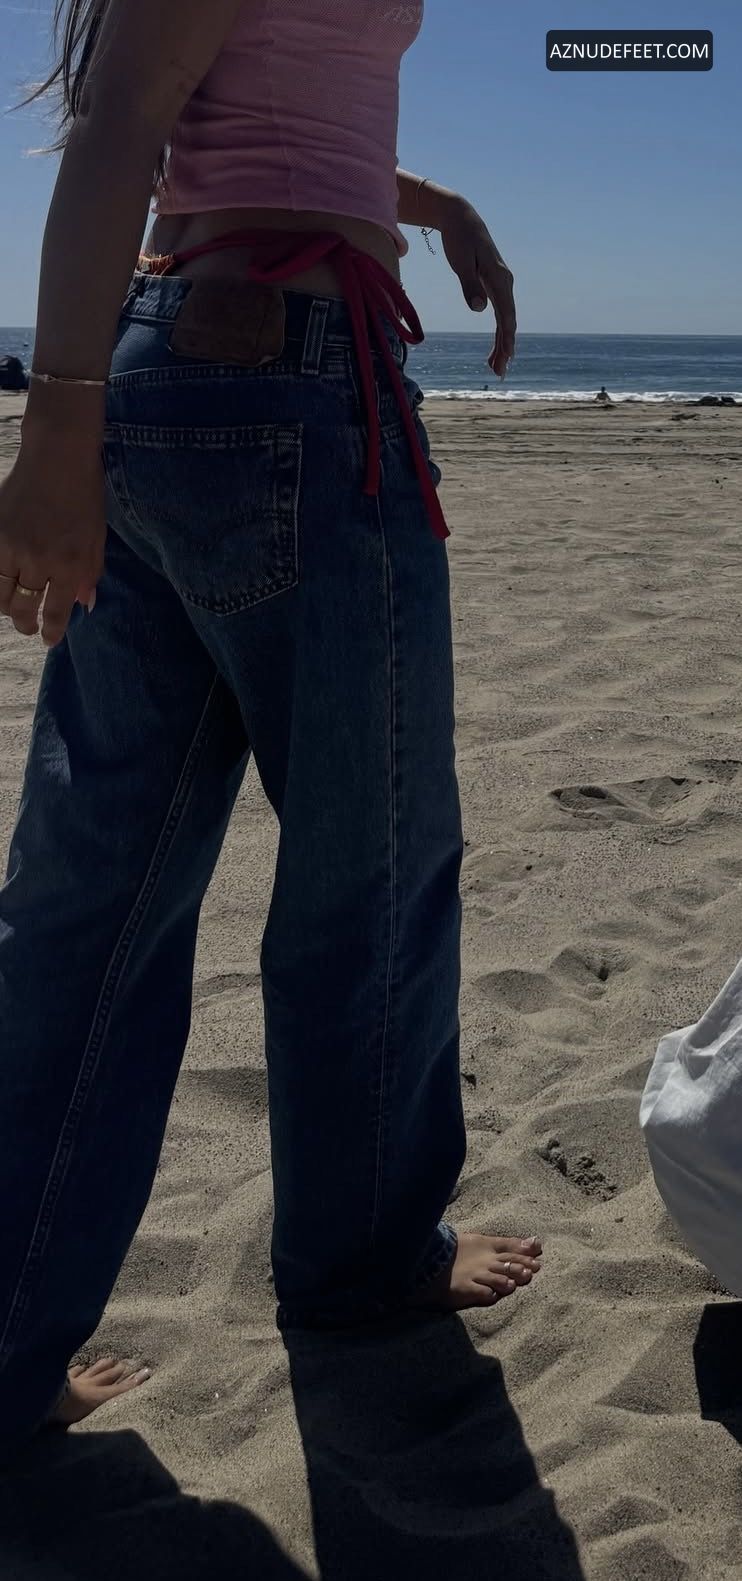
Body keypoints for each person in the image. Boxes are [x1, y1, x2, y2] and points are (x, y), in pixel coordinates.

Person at [0, 0, 542, 1450]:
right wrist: (50, 427)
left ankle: (3, 1349)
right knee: (370, 881)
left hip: (186, 374)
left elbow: (239, 109)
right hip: (291, 389)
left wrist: (433, 201)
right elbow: (124, 122)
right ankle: (362, 1262)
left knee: (86, 911)